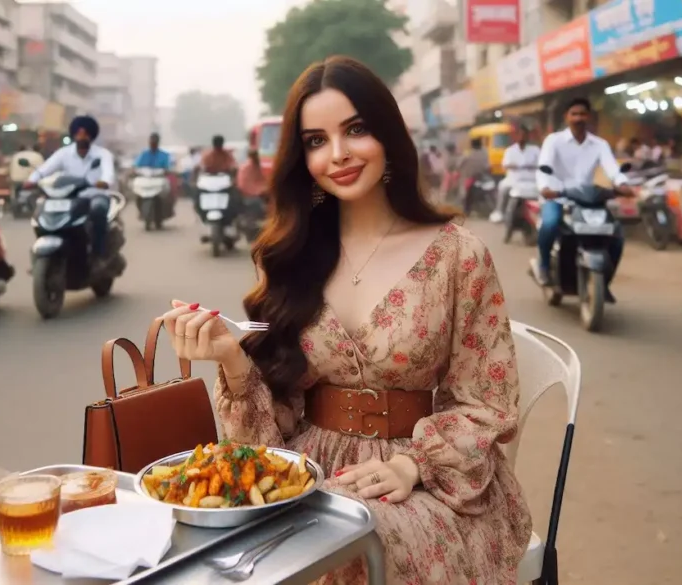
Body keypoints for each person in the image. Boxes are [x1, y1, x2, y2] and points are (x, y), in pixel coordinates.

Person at [158, 56, 531, 585]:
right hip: (308, 473)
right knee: (219, 550)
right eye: (315, 140)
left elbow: (486, 400)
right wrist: (230, 357)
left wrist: (414, 466)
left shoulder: (458, 257)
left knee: (346, 548)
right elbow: (270, 432)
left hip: (426, 482)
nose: (338, 155)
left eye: (355, 130)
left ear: (388, 135)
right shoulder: (291, 257)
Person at [535, 97, 633, 294]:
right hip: (558, 197)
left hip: (588, 200)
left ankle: (604, 281)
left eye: (582, 114)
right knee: (550, 224)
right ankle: (544, 265)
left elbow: (612, 169)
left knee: (616, 234)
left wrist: (622, 184)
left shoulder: (600, 144)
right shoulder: (553, 141)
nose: (578, 118)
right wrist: (545, 188)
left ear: (589, 117)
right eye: (574, 114)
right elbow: (543, 168)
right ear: (567, 117)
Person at [25, 115, 116, 272]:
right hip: (70, 197)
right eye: (78, 133)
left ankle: (98, 255)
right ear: (73, 135)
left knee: (98, 210)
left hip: (94, 195)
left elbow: (108, 174)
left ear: (91, 135)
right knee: (43, 211)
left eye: (85, 133)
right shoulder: (63, 153)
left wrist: (104, 182)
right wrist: (32, 180)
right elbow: (45, 169)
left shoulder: (102, 154)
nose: (82, 137)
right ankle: (42, 256)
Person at [490, 125, 540, 223]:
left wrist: (526, 166)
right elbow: (505, 165)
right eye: (520, 135)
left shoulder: (535, 150)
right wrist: (520, 165)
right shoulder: (510, 150)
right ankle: (499, 211)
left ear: (528, 136)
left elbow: (541, 164)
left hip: (531, 181)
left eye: (524, 135)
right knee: (502, 187)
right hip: (513, 181)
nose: (522, 137)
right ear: (516, 136)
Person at [457, 137, 490, 215]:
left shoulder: (468, 154)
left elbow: (459, 164)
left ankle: (466, 210)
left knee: (464, 193)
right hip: (483, 177)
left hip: (470, 177)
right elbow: (488, 166)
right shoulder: (485, 153)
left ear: (472, 145)